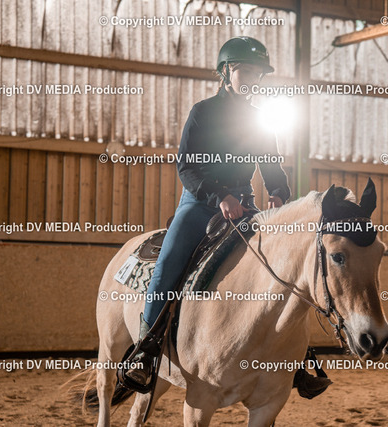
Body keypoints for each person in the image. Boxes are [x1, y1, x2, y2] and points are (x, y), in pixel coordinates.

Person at [123, 36, 331, 398]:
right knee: (168, 264)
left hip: (245, 205)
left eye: (256, 73)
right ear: (225, 72)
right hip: (199, 204)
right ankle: (145, 350)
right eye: (244, 71)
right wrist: (220, 196)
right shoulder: (203, 112)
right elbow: (186, 166)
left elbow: (272, 166)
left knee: (283, 266)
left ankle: (296, 359)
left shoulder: (260, 120)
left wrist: (278, 192)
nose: (251, 79)